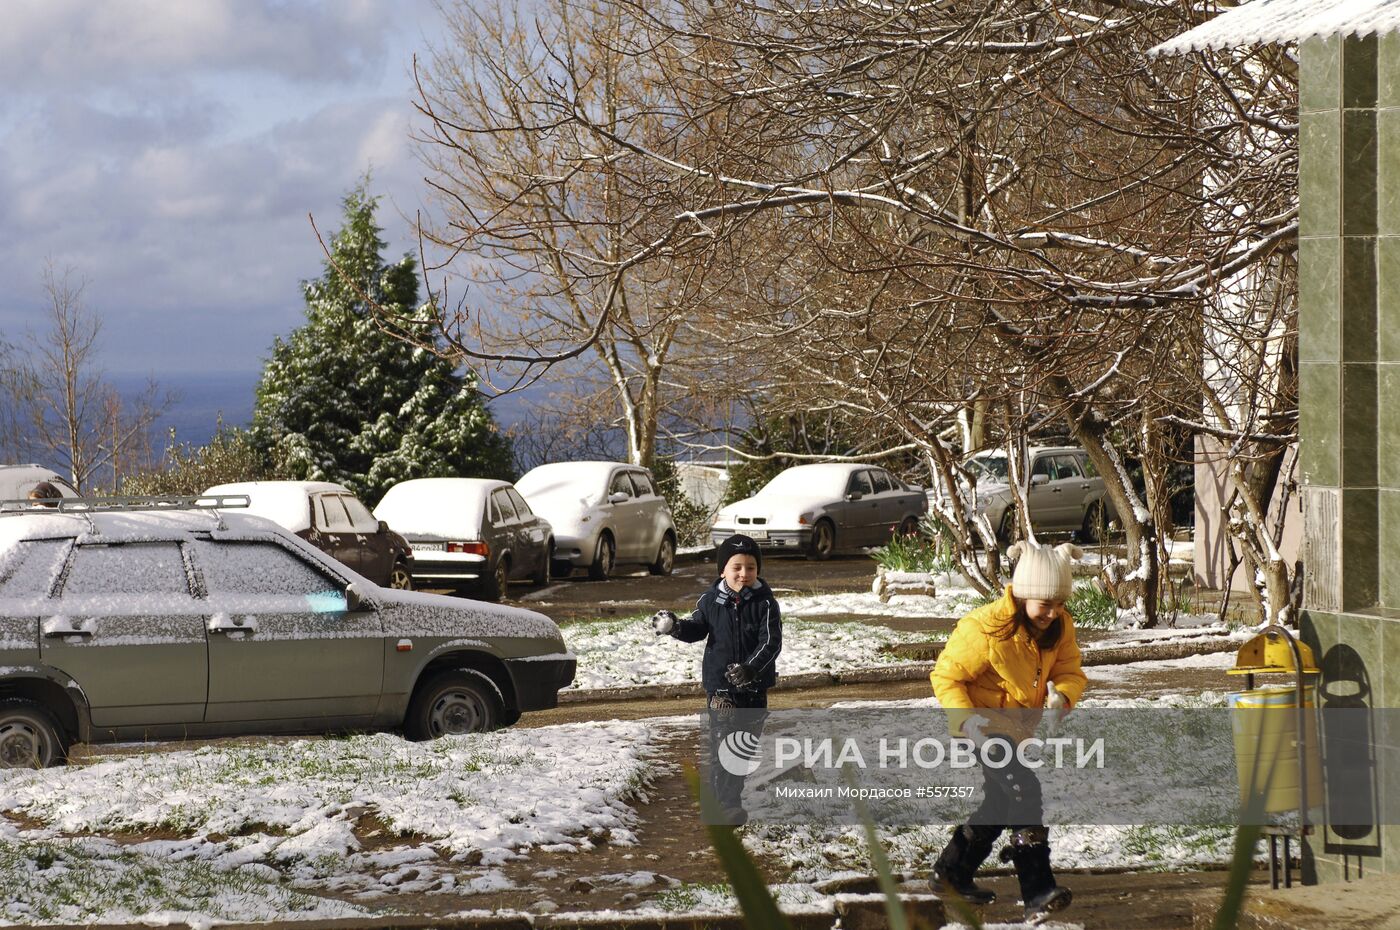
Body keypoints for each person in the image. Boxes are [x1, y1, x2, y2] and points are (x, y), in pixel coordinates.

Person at [928, 541, 1088, 921]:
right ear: (1021, 594)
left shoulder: (1059, 626)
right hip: (982, 726)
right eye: (1044, 604)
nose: (1053, 612)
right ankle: (1038, 890)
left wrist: (1062, 696)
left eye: (1060, 603)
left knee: (1000, 803)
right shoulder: (984, 628)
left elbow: (1069, 670)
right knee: (1023, 789)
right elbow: (946, 676)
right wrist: (967, 722)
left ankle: (951, 873)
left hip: (1016, 729)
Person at [647, 533, 782, 825]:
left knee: (743, 747)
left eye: (750, 567)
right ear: (723, 570)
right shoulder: (710, 601)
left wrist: (751, 668)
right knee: (724, 744)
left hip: (754, 687)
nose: (744, 574)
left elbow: (771, 642)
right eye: (736, 567)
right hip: (721, 688)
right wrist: (675, 627)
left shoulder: (766, 604)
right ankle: (725, 806)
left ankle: (729, 796)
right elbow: (696, 628)